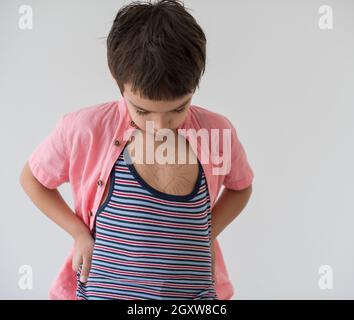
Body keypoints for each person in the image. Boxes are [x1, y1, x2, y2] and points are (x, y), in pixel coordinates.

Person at [19, 0, 254, 300]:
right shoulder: (83, 129)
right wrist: (79, 234)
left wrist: (207, 234)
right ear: (119, 83)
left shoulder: (216, 132)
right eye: (143, 111)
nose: (160, 124)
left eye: (178, 109)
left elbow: (240, 187)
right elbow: (33, 179)